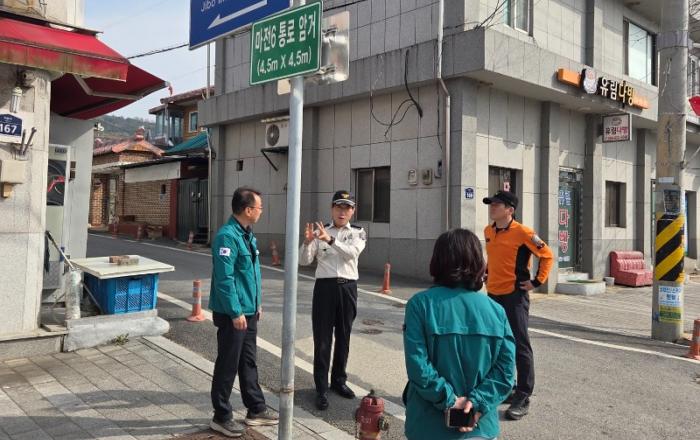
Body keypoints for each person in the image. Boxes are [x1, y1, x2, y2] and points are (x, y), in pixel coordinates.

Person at [403, 228, 515, 440]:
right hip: (481, 427)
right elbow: (506, 373)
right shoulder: (496, 311)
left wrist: (451, 401)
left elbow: (418, 365)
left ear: (438, 261)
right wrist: (476, 402)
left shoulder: (420, 305)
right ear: (478, 262)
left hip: (427, 426)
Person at [209, 187, 278, 437]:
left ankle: (256, 409)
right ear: (248, 210)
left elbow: (250, 275)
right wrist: (236, 312)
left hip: (248, 311)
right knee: (228, 364)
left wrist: (256, 303)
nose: (261, 211)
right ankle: (221, 416)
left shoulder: (247, 235)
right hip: (233, 314)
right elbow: (224, 280)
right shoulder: (227, 237)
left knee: (248, 361)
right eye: (259, 207)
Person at [482, 190, 553, 421]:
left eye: (496, 204)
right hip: (493, 295)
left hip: (515, 297)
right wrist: (487, 273)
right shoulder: (488, 231)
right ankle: (508, 386)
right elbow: (494, 258)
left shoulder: (524, 232)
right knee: (498, 343)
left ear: (510, 210)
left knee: (520, 345)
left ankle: (523, 395)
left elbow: (547, 255)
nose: (492, 207)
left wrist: (537, 282)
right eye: (491, 204)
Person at [299, 190, 367, 411]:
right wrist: (307, 242)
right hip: (324, 289)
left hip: (348, 288)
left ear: (353, 211)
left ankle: (339, 380)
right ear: (332, 208)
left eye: (347, 207)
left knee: (344, 336)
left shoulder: (358, 233)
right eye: (338, 207)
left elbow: (351, 253)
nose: (342, 211)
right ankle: (321, 387)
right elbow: (304, 261)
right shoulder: (321, 231)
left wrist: (329, 239)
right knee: (322, 339)